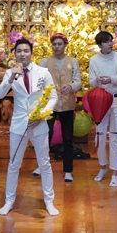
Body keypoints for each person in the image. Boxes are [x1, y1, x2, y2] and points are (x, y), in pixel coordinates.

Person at [0, 38, 59, 216]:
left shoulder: (43, 72)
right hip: (19, 123)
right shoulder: (10, 73)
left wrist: (42, 115)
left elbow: (53, 97)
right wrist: (10, 78)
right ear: (14, 53)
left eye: (26, 51)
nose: (22, 54)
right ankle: (9, 201)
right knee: (14, 163)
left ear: (31, 53)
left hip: (39, 123)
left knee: (44, 163)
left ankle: (49, 201)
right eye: (19, 51)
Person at [35, 33, 81, 182]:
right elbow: (38, 81)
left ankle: (68, 170)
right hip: (50, 104)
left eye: (60, 44)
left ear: (65, 45)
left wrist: (71, 86)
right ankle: (41, 166)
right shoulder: (45, 62)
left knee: (67, 138)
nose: (57, 47)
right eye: (54, 44)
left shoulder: (73, 61)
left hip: (67, 104)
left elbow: (78, 81)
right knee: (45, 136)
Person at [89, 31, 117, 188]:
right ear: (99, 45)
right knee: (99, 137)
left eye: (111, 41)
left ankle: (115, 172)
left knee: (115, 136)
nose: (110, 44)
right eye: (106, 42)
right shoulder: (94, 60)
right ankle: (102, 167)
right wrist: (97, 80)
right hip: (100, 101)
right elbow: (91, 82)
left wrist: (111, 79)